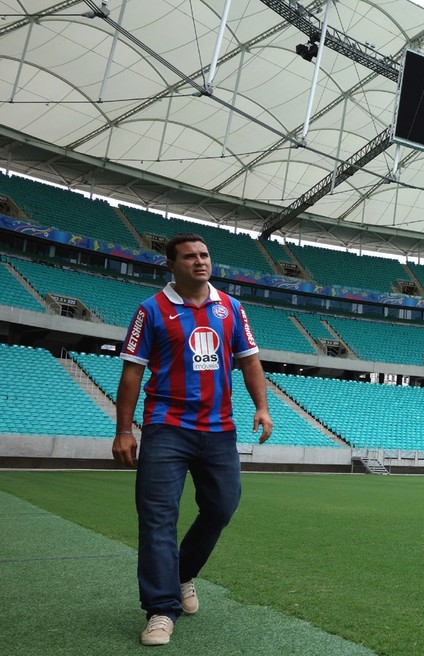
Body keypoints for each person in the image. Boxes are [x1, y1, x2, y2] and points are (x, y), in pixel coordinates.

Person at [112, 233, 273, 646]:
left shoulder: (231, 308)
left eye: (204, 255)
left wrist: (262, 407)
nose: (200, 262)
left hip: (219, 429)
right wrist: (123, 430)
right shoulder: (151, 311)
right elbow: (132, 372)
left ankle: (182, 574)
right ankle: (161, 610)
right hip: (166, 427)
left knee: (221, 507)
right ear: (171, 264)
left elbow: (250, 361)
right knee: (157, 520)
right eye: (189, 257)